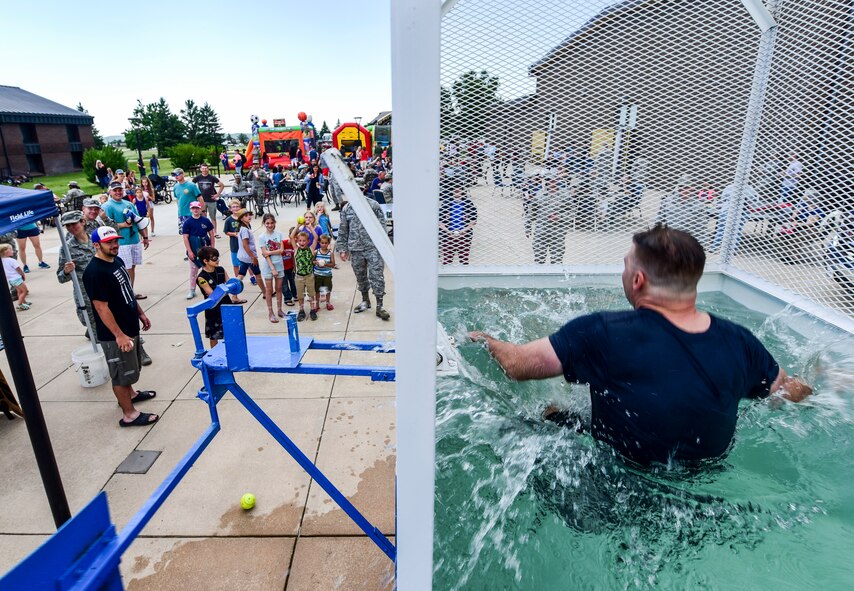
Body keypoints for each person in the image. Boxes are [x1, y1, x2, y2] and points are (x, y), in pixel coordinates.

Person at [469, 224, 812, 467]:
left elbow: (518, 366)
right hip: (706, 473)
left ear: (637, 280)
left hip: (621, 474)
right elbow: (785, 391)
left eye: (625, 267)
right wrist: (815, 388)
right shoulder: (741, 341)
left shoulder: (602, 331)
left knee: (548, 414)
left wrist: (487, 340)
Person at [82, 226, 159, 428]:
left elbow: (127, 290)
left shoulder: (117, 261)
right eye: (109, 242)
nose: (114, 245)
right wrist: (119, 335)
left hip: (129, 325)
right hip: (115, 334)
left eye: (115, 241)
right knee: (120, 374)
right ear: (96, 245)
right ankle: (129, 415)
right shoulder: (95, 272)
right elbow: (100, 307)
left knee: (129, 369)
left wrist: (140, 312)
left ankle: (131, 395)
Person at [336, 197, 390, 320]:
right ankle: (365, 300)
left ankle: (380, 306)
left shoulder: (373, 205)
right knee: (360, 277)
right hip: (355, 248)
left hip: (373, 248)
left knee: (377, 276)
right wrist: (342, 249)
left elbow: (382, 227)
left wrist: (383, 246)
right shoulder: (347, 208)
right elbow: (343, 229)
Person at [102, 181, 149, 298]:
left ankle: (130, 292)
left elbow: (138, 220)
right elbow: (105, 226)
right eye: (115, 190)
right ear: (110, 192)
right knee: (125, 268)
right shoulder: (107, 206)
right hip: (121, 242)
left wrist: (145, 237)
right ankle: (124, 294)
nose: (118, 192)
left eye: (120, 190)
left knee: (132, 267)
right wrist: (123, 224)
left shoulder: (129, 204)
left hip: (134, 240)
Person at [195, 246, 229, 348]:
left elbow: (230, 283)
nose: (217, 260)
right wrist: (225, 289)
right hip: (213, 308)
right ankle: (215, 355)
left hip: (226, 304)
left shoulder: (221, 270)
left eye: (217, 257)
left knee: (230, 332)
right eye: (214, 258)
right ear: (205, 261)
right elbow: (212, 294)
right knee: (214, 335)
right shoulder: (201, 277)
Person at [182, 201, 215, 300]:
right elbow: (185, 237)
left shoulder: (206, 221)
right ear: (190, 209)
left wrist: (212, 248)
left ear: (201, 209)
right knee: (193, 270)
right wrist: (190, 251)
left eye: (197, 208)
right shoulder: (187, 222)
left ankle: (210, 287)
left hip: (204, 247)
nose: (195, 210)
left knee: (208, 269)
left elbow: (211, 234)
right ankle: (192, 289)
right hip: (193, 246)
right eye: (193, 208)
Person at [439, 185, 478, 265]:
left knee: (464, 260)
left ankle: (465, 275)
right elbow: (440, 222)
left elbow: (473, 221)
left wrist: (464, 231)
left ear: (463, 192)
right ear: (452, 192)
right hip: (448, 236)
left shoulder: (468, 203)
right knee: (447, 260)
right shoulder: (446, 203)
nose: (457, 191)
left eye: (459, 190)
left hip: (464, 236)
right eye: (455, 190)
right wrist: (448, 231)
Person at [258, 213, 286, 323]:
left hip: (279, 264)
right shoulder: (262, 237)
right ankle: (271, 312)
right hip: (268, 266)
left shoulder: (279, 234)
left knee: (279, 288)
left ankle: (279, 310)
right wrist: (272, 268)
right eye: (267, 223)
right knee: (269, 290)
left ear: (275, 223)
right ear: (264, 224)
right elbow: (264, 254)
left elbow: (281, 250)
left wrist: (269, 252)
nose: (270, 225)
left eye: (271, 223)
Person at [234, 209, 265, 298]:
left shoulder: (245, 227)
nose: (249, 216)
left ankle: (234, 295)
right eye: (246, 215)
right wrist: (253, 257)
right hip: (249, 257)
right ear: (241, 219)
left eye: (249, 215)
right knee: (258, 274)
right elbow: (245, 244)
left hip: (243, 256)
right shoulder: (244, 230)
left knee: (241, 275)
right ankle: (265, 292)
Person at [291, 230, 317, 321]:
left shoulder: (311, 249)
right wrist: (298, 226)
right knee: (300, 295)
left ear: (308, 241)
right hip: (299, 277)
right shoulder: (296, 249)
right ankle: (301, 310)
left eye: (304, 240)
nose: (302, 242)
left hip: (309, 276)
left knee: (311, 294)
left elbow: (316, 237)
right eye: (300, 240)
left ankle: (312, 309)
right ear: (297, 241)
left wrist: (310, 227)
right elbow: (291, 236)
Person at [193, 164, 225, 238]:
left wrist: (217, 194)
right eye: (203, 168)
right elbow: (191, 185)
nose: (204, 170)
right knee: (203, 217)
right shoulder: (198, 177)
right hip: (202, 201)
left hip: (211, 200)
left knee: (213, 217)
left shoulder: (212, 177)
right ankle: (204, 232)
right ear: (200, 169)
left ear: (208, 169)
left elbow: (222, 185)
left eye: (205, 168)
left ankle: (214, 232)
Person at [172, 167, 202, 235]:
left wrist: (202, 211)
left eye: (177, 174)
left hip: (191, 213)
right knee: (185, 234)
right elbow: (177, 198)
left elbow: (200, 198)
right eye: (174, 175)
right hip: (181, 214)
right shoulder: (176, 186)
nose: (176, 176)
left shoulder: (191, 185)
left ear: (183, 174)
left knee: (194, 233)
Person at [1, 243, 29, 311]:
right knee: (24, 291)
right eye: (11, 250)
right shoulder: (12, 260)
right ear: (6, 252)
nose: (13, 251)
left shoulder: (2, 261)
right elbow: (18, 269)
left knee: (19, 291)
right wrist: (22, 274)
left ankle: (24, 302)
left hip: (11, 280)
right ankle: (20, 304)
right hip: (17, 278)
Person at [314, 233, 336, 311]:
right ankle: (317, 304)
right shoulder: (316, 252)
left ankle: (328, 302)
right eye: (322, 243)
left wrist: (326, 264)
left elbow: (333, 264)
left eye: (326, 243)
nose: (324, 244)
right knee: (317, 290)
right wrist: (316, 262)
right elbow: (312, 261)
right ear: (319, 243)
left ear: (328, 243)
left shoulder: (330, 253)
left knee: (327, 289)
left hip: (327, 275)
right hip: (317, 274)